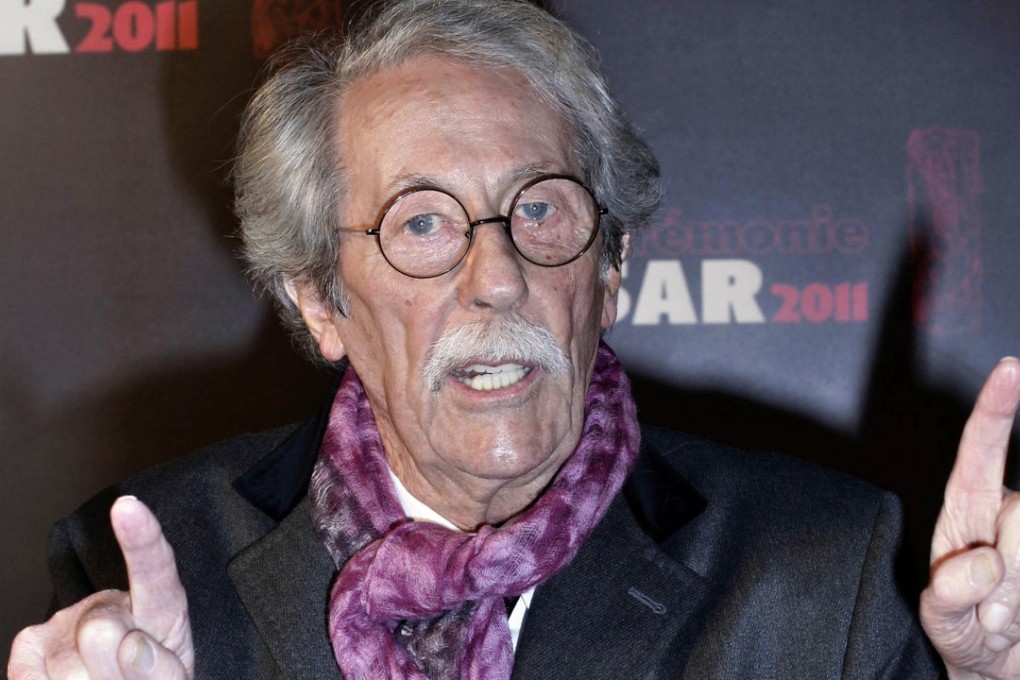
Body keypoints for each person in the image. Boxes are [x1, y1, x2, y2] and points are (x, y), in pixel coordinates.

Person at [8, 1, 1020, 678]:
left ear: (611, 266)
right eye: (419, 223)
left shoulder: (824, 574)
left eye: (541, 210)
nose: (497, 276)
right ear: (321, 299)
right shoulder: (152, 571)